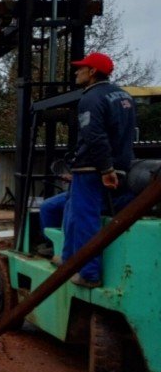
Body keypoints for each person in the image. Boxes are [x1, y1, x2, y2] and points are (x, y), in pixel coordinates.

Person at [61, 52, 136, 288]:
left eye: (81, 68)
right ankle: (68, 259)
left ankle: (89, 274)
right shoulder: (123, 96)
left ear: (92, 72)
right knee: (72, 210)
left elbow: (94, 136)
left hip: (92, 168)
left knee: (85, 219)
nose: (77, 71)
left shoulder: (91, 98)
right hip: (122, 164)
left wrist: (105, 169)